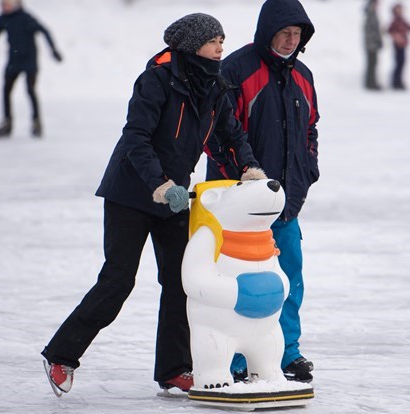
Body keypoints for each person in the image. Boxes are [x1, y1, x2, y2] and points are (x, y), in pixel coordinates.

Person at [41, 13, 266, 397]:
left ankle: (174, 369)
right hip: (131, 193)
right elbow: (136, 138)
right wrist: (159, 185)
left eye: (222, 41)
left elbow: (231, 132)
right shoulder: (157, 81)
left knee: (181, 282)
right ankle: (61, 354)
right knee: (117, 280)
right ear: (193, 44)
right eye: (214, 41)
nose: (220, 48)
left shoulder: (214, 86)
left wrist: (248, 166)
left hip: (173, 198)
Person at [204, 0, 319, 383]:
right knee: (240, 281)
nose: (290, 40)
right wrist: (240, 181)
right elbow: (219, 132)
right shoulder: (237, 68)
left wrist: (309, 168)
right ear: (268, 31)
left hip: (286, 200)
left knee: (287, 278)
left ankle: (288, 353)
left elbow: (310, 128)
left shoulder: (303, 74)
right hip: (240, 203)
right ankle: (236, 359)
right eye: (284, 33)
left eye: (297, 34)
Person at [0, 0, 62, 139]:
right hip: (14, 60)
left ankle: (36, 122)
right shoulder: (3, 19)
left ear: (15, 4)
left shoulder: (25, 17)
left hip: (29, 60)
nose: (3, 7)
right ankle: (7, 122)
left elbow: (45, 30)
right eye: (2, 4)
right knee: (6, 90)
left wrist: (54, 50)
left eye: (6, 4)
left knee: (30, 90)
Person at [387, 2, 410, 90]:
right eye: (398, 9)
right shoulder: (395, 21)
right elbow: (389, 30)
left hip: (403, 44)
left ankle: (399, 81)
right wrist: (396, 36)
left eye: (400, 9)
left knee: (402, 63)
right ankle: (395, 82)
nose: (400, 11)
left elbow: (408, 26)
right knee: (398, 63)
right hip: (397, 45)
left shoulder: (402, 20)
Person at [363, 0, 383, 90]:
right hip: (371, 45)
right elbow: (371, 31)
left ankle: (371, 82)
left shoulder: (372, 14)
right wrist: (376, 41)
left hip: (372, 44)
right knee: (371, 64)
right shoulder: (371, 15)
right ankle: (370, 83)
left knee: (373, 64)